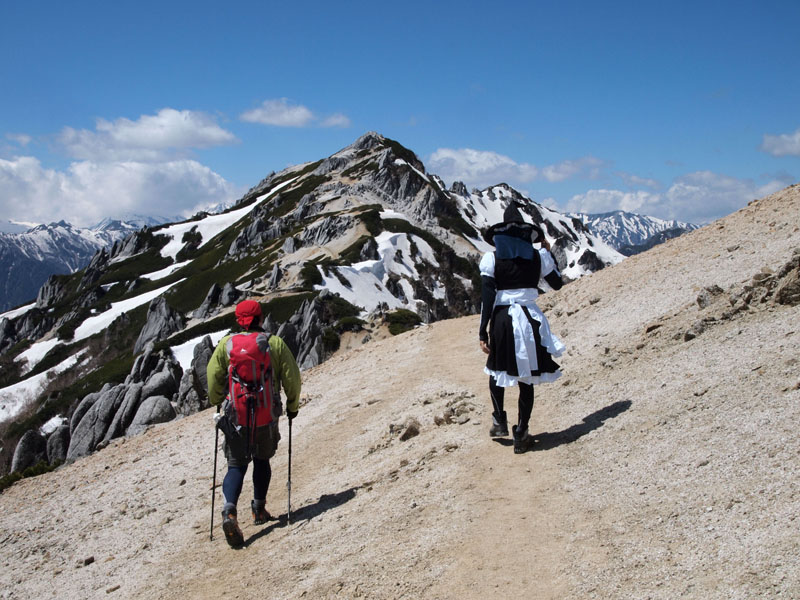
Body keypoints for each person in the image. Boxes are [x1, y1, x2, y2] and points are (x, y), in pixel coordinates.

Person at [207, 299, 301, 547]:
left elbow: (213, 376)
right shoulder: (274, 343)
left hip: (236, 416)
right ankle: (259, 509)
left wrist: (216, 400)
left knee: (236, 465)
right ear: (260, 318)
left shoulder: (226, 345)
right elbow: (292, 377)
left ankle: (229, 512)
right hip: (265, 415)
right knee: (262, 460)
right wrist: (292, 406)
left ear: (239, 321)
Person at [478, 201, 565, 454]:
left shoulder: (491, 258)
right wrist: (548, 252)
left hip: (502, 318)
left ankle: (499, 420)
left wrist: (482, 331)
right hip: (531, 317)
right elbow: (557, 284)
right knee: (528, 375)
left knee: (496, 369)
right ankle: (522, 432)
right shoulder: (538, 256)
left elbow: (487, 297)